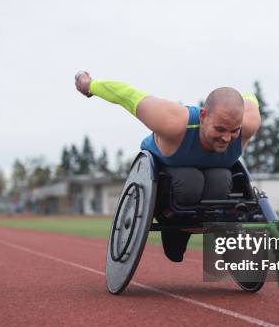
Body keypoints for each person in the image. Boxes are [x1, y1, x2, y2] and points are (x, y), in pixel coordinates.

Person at [75, 71, 261, 261]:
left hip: (214, 181)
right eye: (220, 129)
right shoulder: (173, 121)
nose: (226, 138)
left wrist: (237, 98)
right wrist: (90, 85)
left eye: (234, 131)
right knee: (191, 180)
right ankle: (174, 228)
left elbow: (249, 97)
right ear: (203, 116)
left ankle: (198, 227)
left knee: (222, 179)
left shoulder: (249, 123)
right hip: (168, 178)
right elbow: (128, 95)